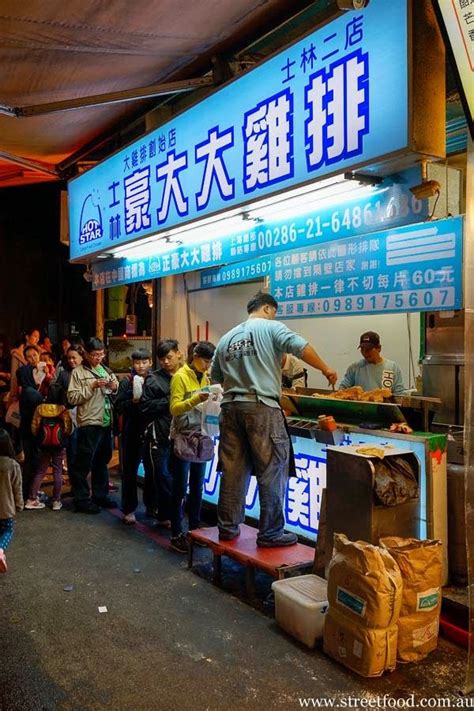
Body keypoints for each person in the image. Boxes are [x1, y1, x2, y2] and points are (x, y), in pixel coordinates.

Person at [211, 291, 337, 547]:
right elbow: (301, 347)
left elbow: (214, 378)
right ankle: (270, 533)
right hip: (261, 408)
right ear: (268, 308)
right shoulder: (271, 327)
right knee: (272, 470)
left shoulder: (226, 338)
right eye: (274, 311)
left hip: (231, 408)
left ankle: (227, 528)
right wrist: (326, 368)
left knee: (233, 471)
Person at [168, 340, 215, 553]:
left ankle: (195, 529)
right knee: (180, 488)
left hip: (202, 436)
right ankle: (177, 533)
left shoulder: (205, 376)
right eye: (205, 361)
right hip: (184, 437)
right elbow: (175, 409)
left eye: (209, 362)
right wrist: (195, 400)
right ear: (195, 356)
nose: (207, 365)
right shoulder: (180, 376)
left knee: (197, 487)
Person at [67, 338, 119, 513]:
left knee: (102, 461)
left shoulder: (106, 370)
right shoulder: (78, 373)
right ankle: (81, 499)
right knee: (83, 462)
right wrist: (92, 385)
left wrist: (114, 385)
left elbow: (114, 390)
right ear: (86, 355)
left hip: (106, 421)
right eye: (95, 355)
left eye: (101, 354)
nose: (99, 358)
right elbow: (72, 398)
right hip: (89, 422)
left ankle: (100, 495)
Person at [139, 339, 182, 528]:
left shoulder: (185, 376)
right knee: (161, 475)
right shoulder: (153, 379)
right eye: (162, 359)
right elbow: (145, 406)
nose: (165, 362)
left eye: (169, 357)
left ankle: (172, 513)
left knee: (175, 477)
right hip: (159, 435)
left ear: (178, 354)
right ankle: (162, 513)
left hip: (181, 436)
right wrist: (171, 401)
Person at [114, 348, 156, 525]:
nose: (141, 366)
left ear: (150, 362)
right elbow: (118, 406)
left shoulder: (155, 380)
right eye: (137, 363)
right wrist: (132, 401)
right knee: (129, 472)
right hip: (131, 432)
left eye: (144, 362)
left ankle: (152, 506)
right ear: (133, 364)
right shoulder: (126, 382)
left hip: (151, 432)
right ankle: (129, 509)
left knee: (152, 472)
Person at [339, 331, 406, 395]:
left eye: (369, 349)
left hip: (385, 406)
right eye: (362, 349)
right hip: (361, 406)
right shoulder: (355, 368)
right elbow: (343, 388)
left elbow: (399, 394)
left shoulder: (392, 368)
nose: (365, 352)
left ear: (379, 348)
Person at [0, 428, 23, 573]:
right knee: (8, 530)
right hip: (6, 508)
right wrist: (19, 505)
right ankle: (0, 550)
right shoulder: (12, 465)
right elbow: (17, 488)